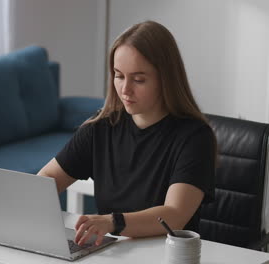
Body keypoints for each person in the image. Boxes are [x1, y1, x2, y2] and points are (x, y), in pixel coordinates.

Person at [38, 20, 216, 246]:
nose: (125, 89)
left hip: (164, 256)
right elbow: (44, 182)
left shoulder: (195, 138)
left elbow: (174, 215)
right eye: (119, 75)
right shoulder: (99, 128)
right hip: (111, 253)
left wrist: (112, 222)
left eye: (139, 79)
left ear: (166, 79)